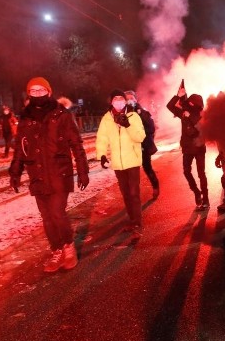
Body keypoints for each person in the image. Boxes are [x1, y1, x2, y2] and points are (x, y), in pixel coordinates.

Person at [9, 77, 90, 272]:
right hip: (37, 173)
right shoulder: (25, 118)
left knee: (57, 213)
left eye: (41, 90)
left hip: (59, 172)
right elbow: (20, 147)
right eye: (33, 91)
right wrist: (15, 172)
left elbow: (76, 143)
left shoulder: (61, 114)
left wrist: (82, 170)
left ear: (49, 91)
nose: (37, 94)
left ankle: (68, 247)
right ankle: (56, 250)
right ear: (29, 94)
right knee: (46, 216)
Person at [96, 89, 146, 236]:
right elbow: (102, 138)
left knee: (134, 193)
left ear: (125, 101)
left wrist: (128, 125)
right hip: (118, 163)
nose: (118, 101)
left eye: (121, 98)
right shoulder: (106, 118)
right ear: (111, 102)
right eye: (115, 98)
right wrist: (102, 155)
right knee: (125, 194)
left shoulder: (133, 115)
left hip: (132, 161)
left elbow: (140, 137)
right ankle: (132, 221)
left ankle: (137, 223)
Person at [167, 80, 209, 210]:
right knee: (186, 171)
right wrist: (178, 96)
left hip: (199, 147)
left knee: (201, 174)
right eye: (189, 102)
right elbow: (170, 106)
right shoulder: (184, 113)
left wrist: (190, 116)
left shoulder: (202, 115)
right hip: (187, 148)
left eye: (192, 103)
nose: (189, 104)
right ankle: (196, 192)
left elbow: (200, 127)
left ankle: (206, 199)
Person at [124, 89, 160, 199]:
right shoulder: (123, 113)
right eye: (127, 99)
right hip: (130, 147)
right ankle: (133, 195)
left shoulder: (142, 112)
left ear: (135, 99)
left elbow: (151, 128)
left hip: (143, 146)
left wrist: (139, 110)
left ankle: (155, 186)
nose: (129, 101)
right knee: (131, 171)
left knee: (147, 167)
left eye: (131, 98)